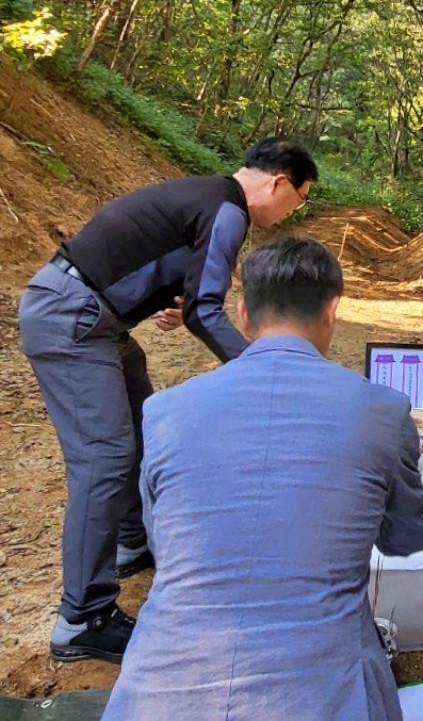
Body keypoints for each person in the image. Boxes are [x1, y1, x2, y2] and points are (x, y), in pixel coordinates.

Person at [102, 237, 423, 720]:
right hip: (326, 690)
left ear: (241, 313)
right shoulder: (381, 411)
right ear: (332, 311)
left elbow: (165, 542)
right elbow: (408, 537)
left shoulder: (163, 412)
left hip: (158, 690)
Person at [18, 137, 318, 664]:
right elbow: (207, 310)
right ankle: (83, 618)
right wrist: (266, 369)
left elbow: (181, 283)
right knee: (105, 459)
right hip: (73, 319)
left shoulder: (210, 199)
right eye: (299, 199)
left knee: (142, 430)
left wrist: (176, 300)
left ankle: (132, 542)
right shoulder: (228, 211)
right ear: (278, 182)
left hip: (92, 316)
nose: (292, 211)